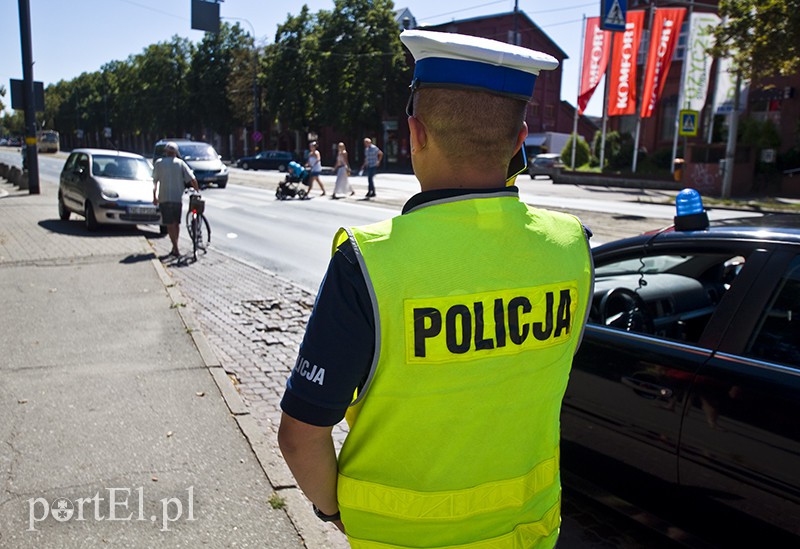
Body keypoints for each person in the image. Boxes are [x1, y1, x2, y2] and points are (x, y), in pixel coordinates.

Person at [278, 30, 593, 548]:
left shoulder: (368, 262)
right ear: (519, 141)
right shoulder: (570, 247)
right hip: (529, 531)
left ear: (415, 134)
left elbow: (301, 435)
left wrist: (333, 509)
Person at [152, 141, 199, 257]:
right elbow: (192, 179)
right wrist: (197, 190)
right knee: (176, 224)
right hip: (177, 198)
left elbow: (154, 182)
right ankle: (175, 247)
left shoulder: (159, 163)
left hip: (164, 198)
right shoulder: (180, 163)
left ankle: (175, 247)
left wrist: (154, 197)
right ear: (176, 153)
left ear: (166, 152)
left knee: (169, 225)